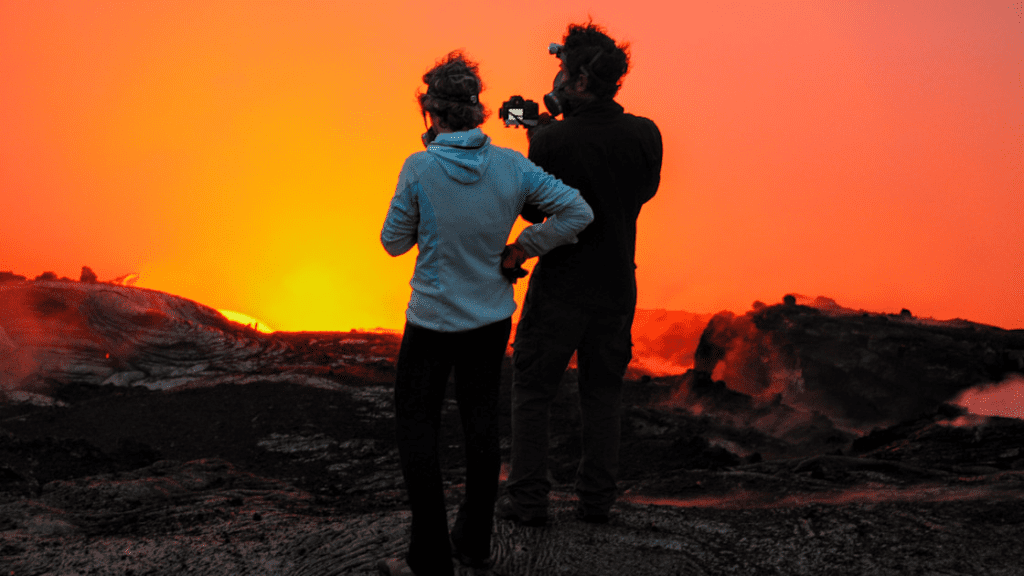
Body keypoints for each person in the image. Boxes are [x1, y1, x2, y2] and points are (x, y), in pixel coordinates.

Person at [377, 51, 593, 576]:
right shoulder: (510, 166)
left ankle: (428, 559)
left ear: (431, 112)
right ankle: (473, 544)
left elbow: (392, 243)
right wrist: (523, 247)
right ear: (476, 111)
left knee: (417, 430)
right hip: (490, 321)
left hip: (430, 323)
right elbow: (577, 211)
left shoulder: (420, 167)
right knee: (479, 428)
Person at [497, 22, 663, 526]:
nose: (558, 79)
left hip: (561, 287)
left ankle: (528, 502)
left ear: (584, 81)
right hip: (616, 283)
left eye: (565, 71)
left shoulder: (554, 141)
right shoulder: (645, 134)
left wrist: (540, 138)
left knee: (532, 392)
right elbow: (641, 193)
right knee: (602, 393)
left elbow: (530, 212)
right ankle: (596, 504)